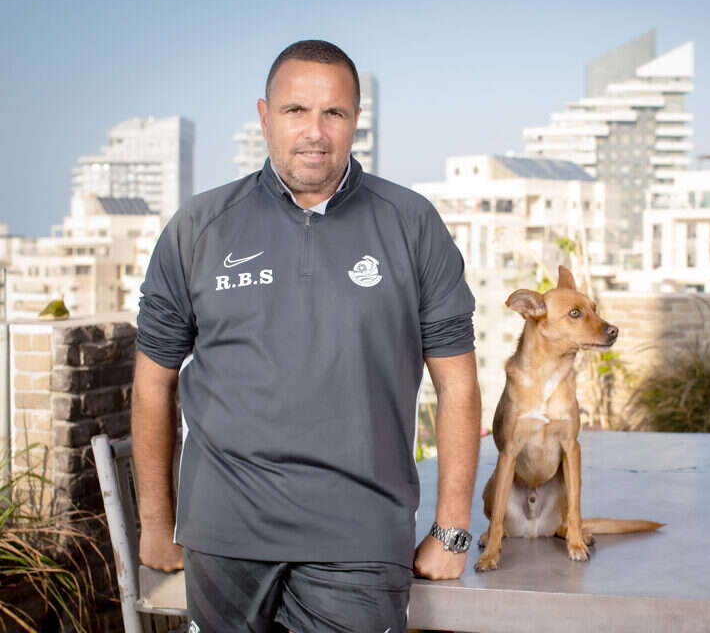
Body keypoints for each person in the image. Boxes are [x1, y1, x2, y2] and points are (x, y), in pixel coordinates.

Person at [133, 39, 481, 632]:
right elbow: (152, 385)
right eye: (295, 110)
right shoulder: (199, 227)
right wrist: (157, 522)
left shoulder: (411, 223)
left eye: (333, 113)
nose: (314, 132)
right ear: (265, 116)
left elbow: (459, 386)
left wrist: (451, 529)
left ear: (356, 120)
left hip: (359, 538)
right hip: (224, 534)